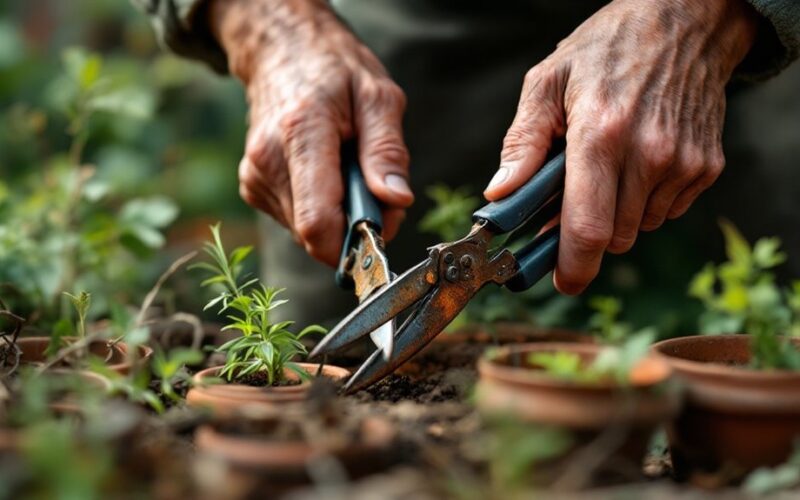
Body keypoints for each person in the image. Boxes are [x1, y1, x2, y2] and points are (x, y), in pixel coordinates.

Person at [135, 0, 800, 324]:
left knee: (770, 350)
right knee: (328, 388)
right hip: (397, 48)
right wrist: (264, 24)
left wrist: (702, 15)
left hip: (761, 49)